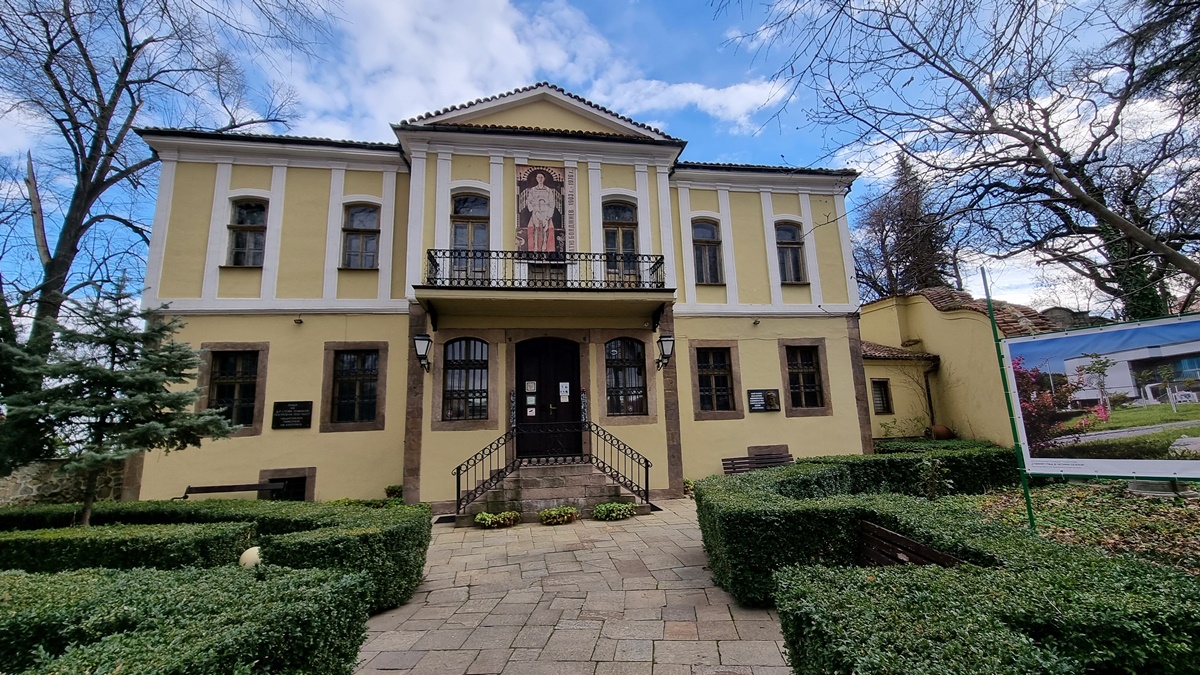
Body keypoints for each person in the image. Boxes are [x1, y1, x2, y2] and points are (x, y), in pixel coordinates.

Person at [520, 171, 560, 252]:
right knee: (536, 229)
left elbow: (552, 203)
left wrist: (548, 216)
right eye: (539, 177)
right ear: (536, 179)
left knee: (546, 230)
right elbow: (529, 202)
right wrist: (534, 211)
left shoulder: (548, 190)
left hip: (546, 213)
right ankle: (535, 247)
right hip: (536, 213)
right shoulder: (533, 190)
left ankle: (544, 247)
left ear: (544, 179)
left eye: (542, 177)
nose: (540, 179)